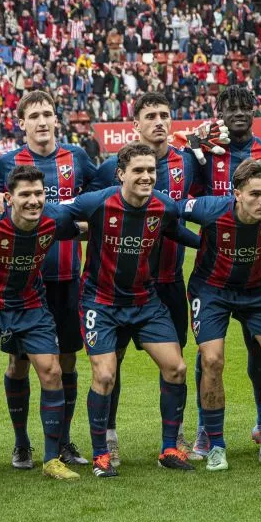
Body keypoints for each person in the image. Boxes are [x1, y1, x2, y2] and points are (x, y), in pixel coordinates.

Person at [61, 142, 200, 477]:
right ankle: (100, 455)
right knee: (105, 374)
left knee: (176, 367)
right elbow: (57, 216)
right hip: (100, 300)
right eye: (138, 170)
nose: (146, 176)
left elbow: (177, 230)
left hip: (144, 302)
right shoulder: (97, 202)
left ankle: (169, 448)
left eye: (151, 170)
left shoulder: (164, 206)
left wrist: (212, 243)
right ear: (120, 174)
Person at [0, 91, 96, 469]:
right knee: (18, 364)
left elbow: (97, 201)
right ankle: (21, 443)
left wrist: (80, 228)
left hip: (66, 277)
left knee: (65, 362)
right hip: (22, 284)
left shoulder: (77, 158)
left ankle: (62, 442)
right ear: (23, 123)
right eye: (35, 115)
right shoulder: (8, 162)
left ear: (56, 119)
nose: (43, 121)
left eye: (48, 113)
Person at [0, 166, 85, 489]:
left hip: (30, 304)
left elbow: (88, 222)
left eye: (38, 193)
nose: (33, 201)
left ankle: (52, 459)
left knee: (52, 372)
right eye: (25, 194)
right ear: (9, 198)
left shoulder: (55, 219)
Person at [89, 92, 201, 466]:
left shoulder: (187, 161)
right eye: (150, 115)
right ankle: (108, 434)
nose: (159, 121)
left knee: (175, 360)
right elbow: (88, 211)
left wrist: (210, 243)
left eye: (165, 115)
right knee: (111, 361)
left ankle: (175, 435)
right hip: (115, 285)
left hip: (167, 282)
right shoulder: (110, 169)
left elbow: (181, 218)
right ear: (134, 124)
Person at [191, 85, 261, 457]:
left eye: (244, 107)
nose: (237, 113)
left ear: (254, 110)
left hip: (257, 272)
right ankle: (205, 428)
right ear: (218, 110)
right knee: (209, 357)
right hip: (214, 269)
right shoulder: (202, 150)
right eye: (229, 107)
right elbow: (184, 198)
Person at [179, 160, 261, 470]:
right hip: (212, 290)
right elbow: (167, 211)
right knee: (212, 360)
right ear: (237, 195)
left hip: (259, 290)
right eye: (255, 194)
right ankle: (216, 444)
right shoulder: (209, 209)